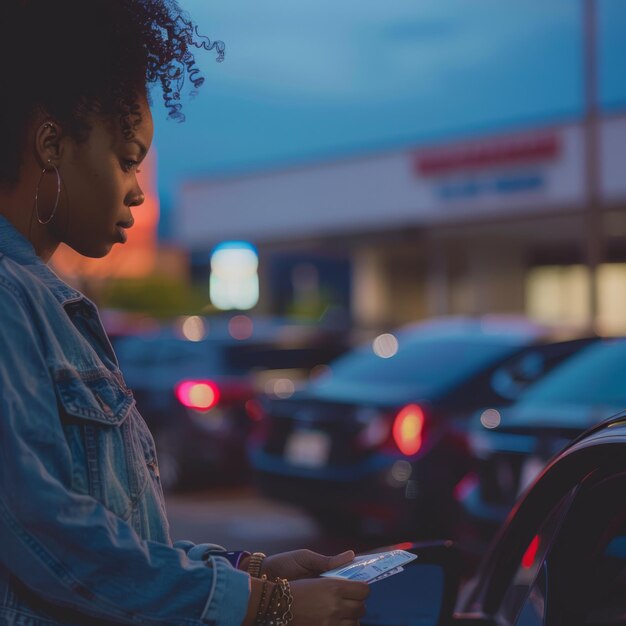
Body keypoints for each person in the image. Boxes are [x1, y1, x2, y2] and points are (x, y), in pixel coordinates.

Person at [0, 1, 370, 624]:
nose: (140, 190)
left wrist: (247, 569)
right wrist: (265, 607)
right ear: (50, 144)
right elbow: (43, 527)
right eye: (127, 157)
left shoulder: (48, 304)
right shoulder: (10, 300)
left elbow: (114, 534)